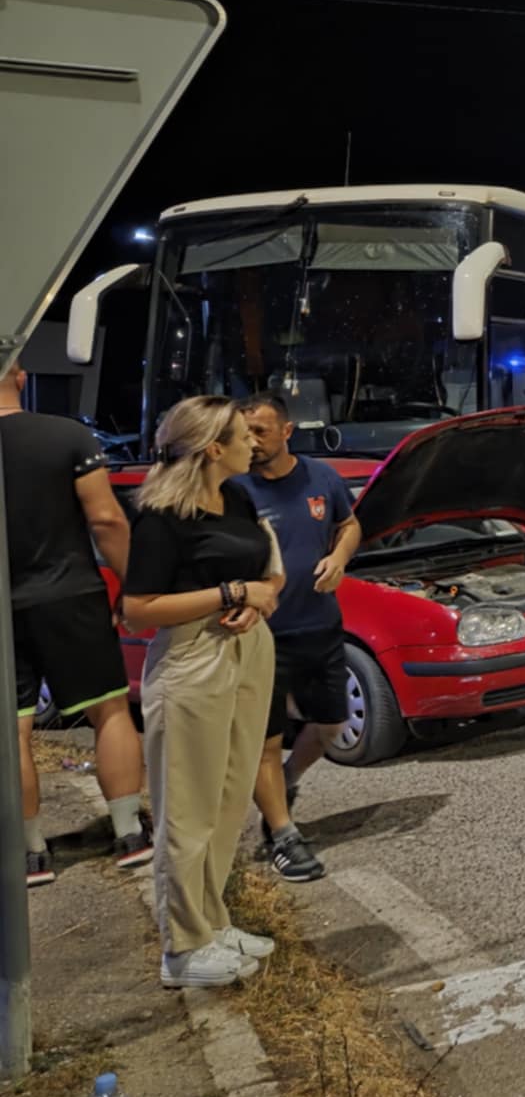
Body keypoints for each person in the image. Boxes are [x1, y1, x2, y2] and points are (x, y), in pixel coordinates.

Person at [122, 397, 285, 988]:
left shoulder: (237, 498)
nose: (254, 443)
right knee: (187, 808)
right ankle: (182, 948)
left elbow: (269, 571)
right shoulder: (162, 516)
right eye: (243, 435)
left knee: (228, 796)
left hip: (247, 649)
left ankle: (212, 922)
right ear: (213, 448)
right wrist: (231, 594)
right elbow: (138, 609)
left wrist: (258, 598)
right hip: (192, 659)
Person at [3, 364, 149, 887]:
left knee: (13, 731)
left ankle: (30, 853)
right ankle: (129, 834)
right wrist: (133, 584)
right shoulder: (67, 436)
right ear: (20, 375)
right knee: (109, 711)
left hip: (3, 608)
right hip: (71, 595)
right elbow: (106, 519)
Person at [238, 394, 360, 884]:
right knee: (264, 742)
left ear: (287, 431)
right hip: (262, 638)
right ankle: (283, 834)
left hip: (319, 626)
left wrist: (340, 558)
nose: (251, 441)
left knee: (331, 723)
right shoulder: (232, 487)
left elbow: (349, 524)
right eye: (244, 432)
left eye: (261, 431)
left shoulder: (322, 478)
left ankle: (285, 783)